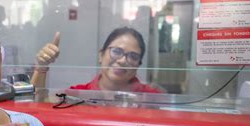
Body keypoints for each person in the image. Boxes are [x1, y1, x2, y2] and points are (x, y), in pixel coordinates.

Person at [31, 27, 164, 93]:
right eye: (116, 51)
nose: (123, 60)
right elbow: (36, 106)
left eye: (133, 56)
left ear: (139, 65)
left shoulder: (153, 97)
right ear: (101, 55)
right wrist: (41, 67)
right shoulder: (78, 94)